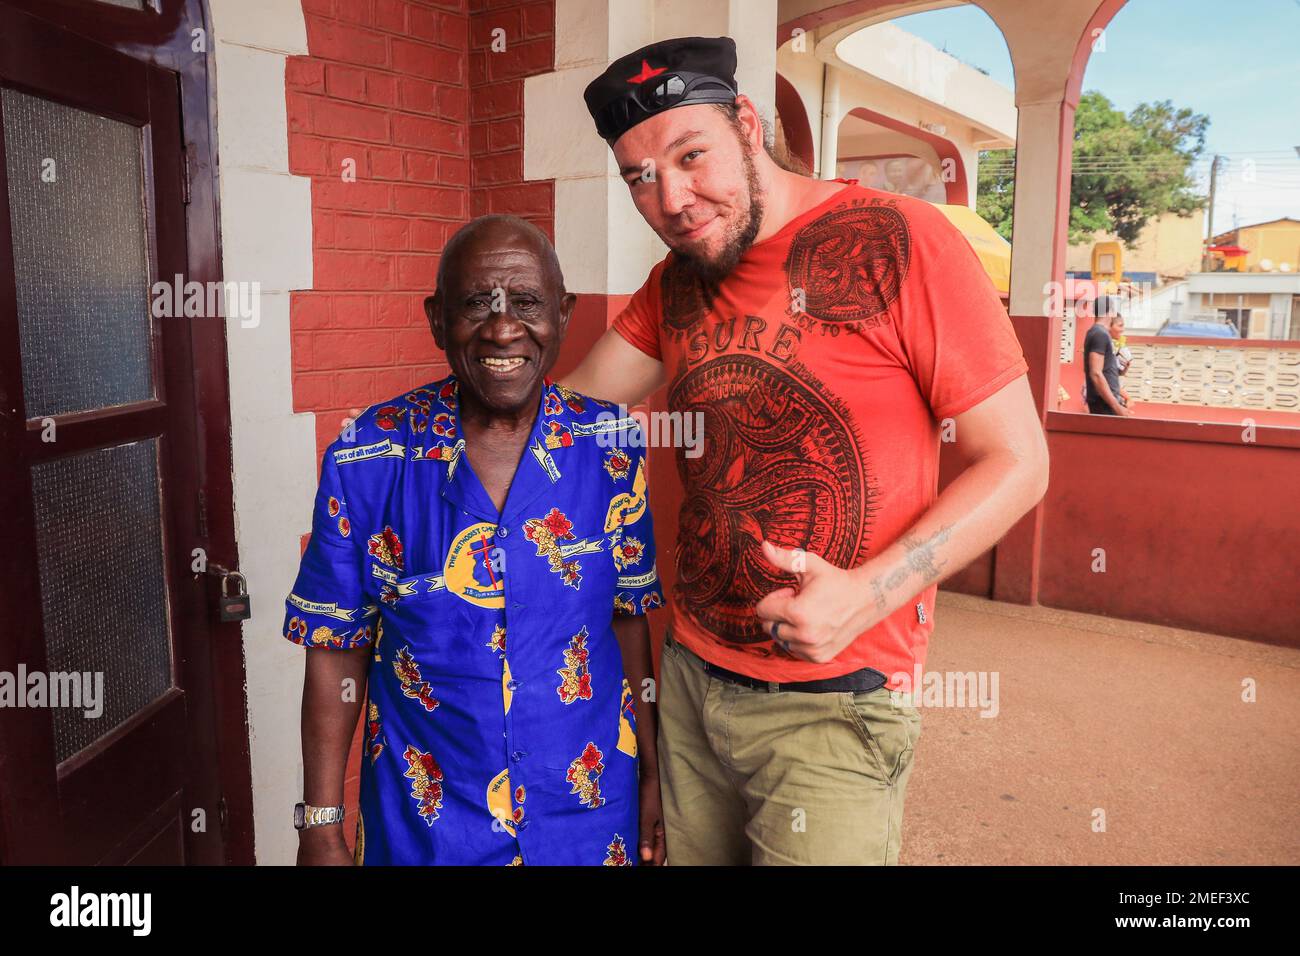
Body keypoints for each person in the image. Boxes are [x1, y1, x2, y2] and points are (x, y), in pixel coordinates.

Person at [566, 36, 1050, 865]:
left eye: (692, 156)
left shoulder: (901, 238)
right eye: (640, 177)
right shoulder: (675, 282)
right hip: (689, 682)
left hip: (837, 705)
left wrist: (869, 592)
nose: (672, 199)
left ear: (747, 124)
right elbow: (568, 414)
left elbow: (1017, 460)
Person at [284, 215, 667, 866]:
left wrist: (656, 772)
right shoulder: (368, 456)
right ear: (437, 320)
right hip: (431, 830)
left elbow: (628, 621)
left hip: (586, 817)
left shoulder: (612, 448)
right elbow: (335, 647)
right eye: (475, 304)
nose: (502, 327)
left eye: (525, 303)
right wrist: (320, 824)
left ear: (563, 314)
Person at [1084, 294, 1132, 416]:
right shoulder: (1099, 334)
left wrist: (1120, 370)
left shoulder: (1100, 333)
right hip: (1104, 404)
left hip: (1107, 403)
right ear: (1110, 311)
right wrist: (1116, 406)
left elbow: (1104, 370)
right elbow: (1096, 373)